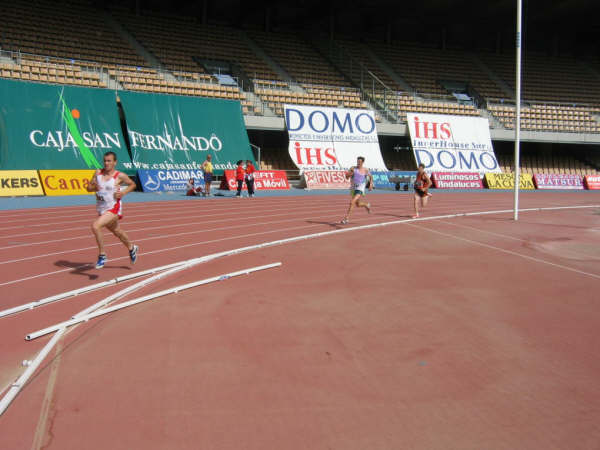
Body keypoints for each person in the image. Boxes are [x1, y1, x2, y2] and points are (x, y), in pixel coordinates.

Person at [87, 151, 138, 269]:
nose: (106, 163)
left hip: (114, 208)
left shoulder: (119, 175)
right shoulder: (98, 172)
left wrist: (123, 192)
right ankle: (132, 247)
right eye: (105, 160)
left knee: (95, 226)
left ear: (115, 162)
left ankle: (102, 255)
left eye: (109, 161)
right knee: (117, 231)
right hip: (102, 208)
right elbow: (88, 188)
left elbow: (133, 184)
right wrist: (93, 186)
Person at [340, 156, 373, 224]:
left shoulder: (365, 170)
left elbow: (371, 176)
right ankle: (366, 205)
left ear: (363, 162)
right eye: (358, 162)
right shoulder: (353, 168)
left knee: (352, 202)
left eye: (360, 162)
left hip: (360, 188)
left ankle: (346, 218)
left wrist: (370, 184)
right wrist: (349, 174)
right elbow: (347, 177)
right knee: (358, 204)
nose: (358, 163)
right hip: (353, 188)